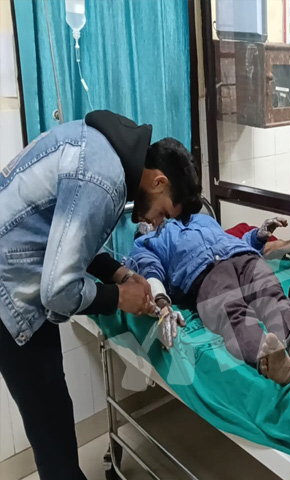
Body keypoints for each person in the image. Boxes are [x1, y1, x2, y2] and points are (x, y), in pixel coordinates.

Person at [0, 110, 202, 480]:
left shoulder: (98, 148)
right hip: (10, 295)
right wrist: (118, 297)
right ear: (159, 181)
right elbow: (58, 291)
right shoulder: (101, 177)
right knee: (51, 428)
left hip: (16, 281)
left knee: (53, 416)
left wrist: (121, 274)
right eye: (163, 213)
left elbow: (68, 239)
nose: (156, 223)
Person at [126, 214, 290, 386]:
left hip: (243, 255)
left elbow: (228, 239)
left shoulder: (198, 217)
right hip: (203, 274)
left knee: (272, 295)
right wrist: (162, 302)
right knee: (233, 314)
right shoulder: (145, 243)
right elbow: (149, 273)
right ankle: (271, 361)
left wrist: (257, 237)